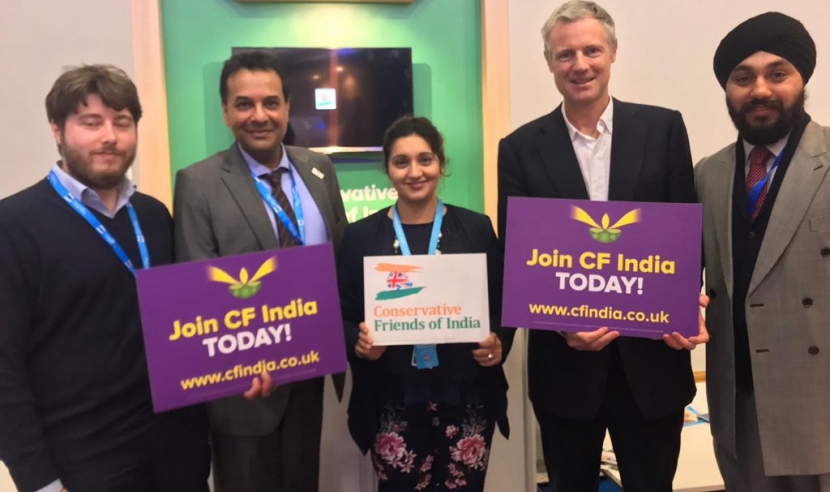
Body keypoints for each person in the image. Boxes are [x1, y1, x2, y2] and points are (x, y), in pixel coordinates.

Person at [497, 0, 708, 492]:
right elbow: (520, 258)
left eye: (592, 50)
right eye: (565, 54)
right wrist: (560, 321)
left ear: (613, 52)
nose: (580, 65)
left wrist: (681, 307)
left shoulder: (663, 129)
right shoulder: (520, 148)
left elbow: (685, 235)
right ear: (550, 63)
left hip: (652, 365)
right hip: (565, 368)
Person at [0, 65, 210, 492]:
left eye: (122, 122)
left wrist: (237, 368)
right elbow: (3, 368)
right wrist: (38, 479)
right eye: (90, 123)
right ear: (57, 130)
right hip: (83, 460)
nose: (109, 136)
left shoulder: (153, 215)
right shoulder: (13, 225)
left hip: (177, 452)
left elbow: (185, 325)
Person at [173, 50, 347, 492]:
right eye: (244, 104)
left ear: (288, 108)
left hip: (310, 372)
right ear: (226, 112)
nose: (259, 115)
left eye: (271, 102)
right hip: (244, 390)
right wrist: (240, 363)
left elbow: (340, 260)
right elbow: (199, 287)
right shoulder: (200, 182)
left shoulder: (318, 169)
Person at [337, 116, 512, 491]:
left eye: (425, 159)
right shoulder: (361, 236)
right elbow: (343, 313)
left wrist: (498, 342)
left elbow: (502, 305)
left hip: (466, 397)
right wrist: (360, 342)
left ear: (441, 164)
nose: (414, 172)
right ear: (387, 169)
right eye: (401, 162)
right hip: (392, 400)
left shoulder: (476, 228)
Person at [697, 12, 830, 492]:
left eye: (777, 74)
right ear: (728, 90)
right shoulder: (707, 175)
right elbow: (678, 275)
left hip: (820, 404)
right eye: (743, 77)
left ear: (802, 80)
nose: (760, 90)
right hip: (740, 410)